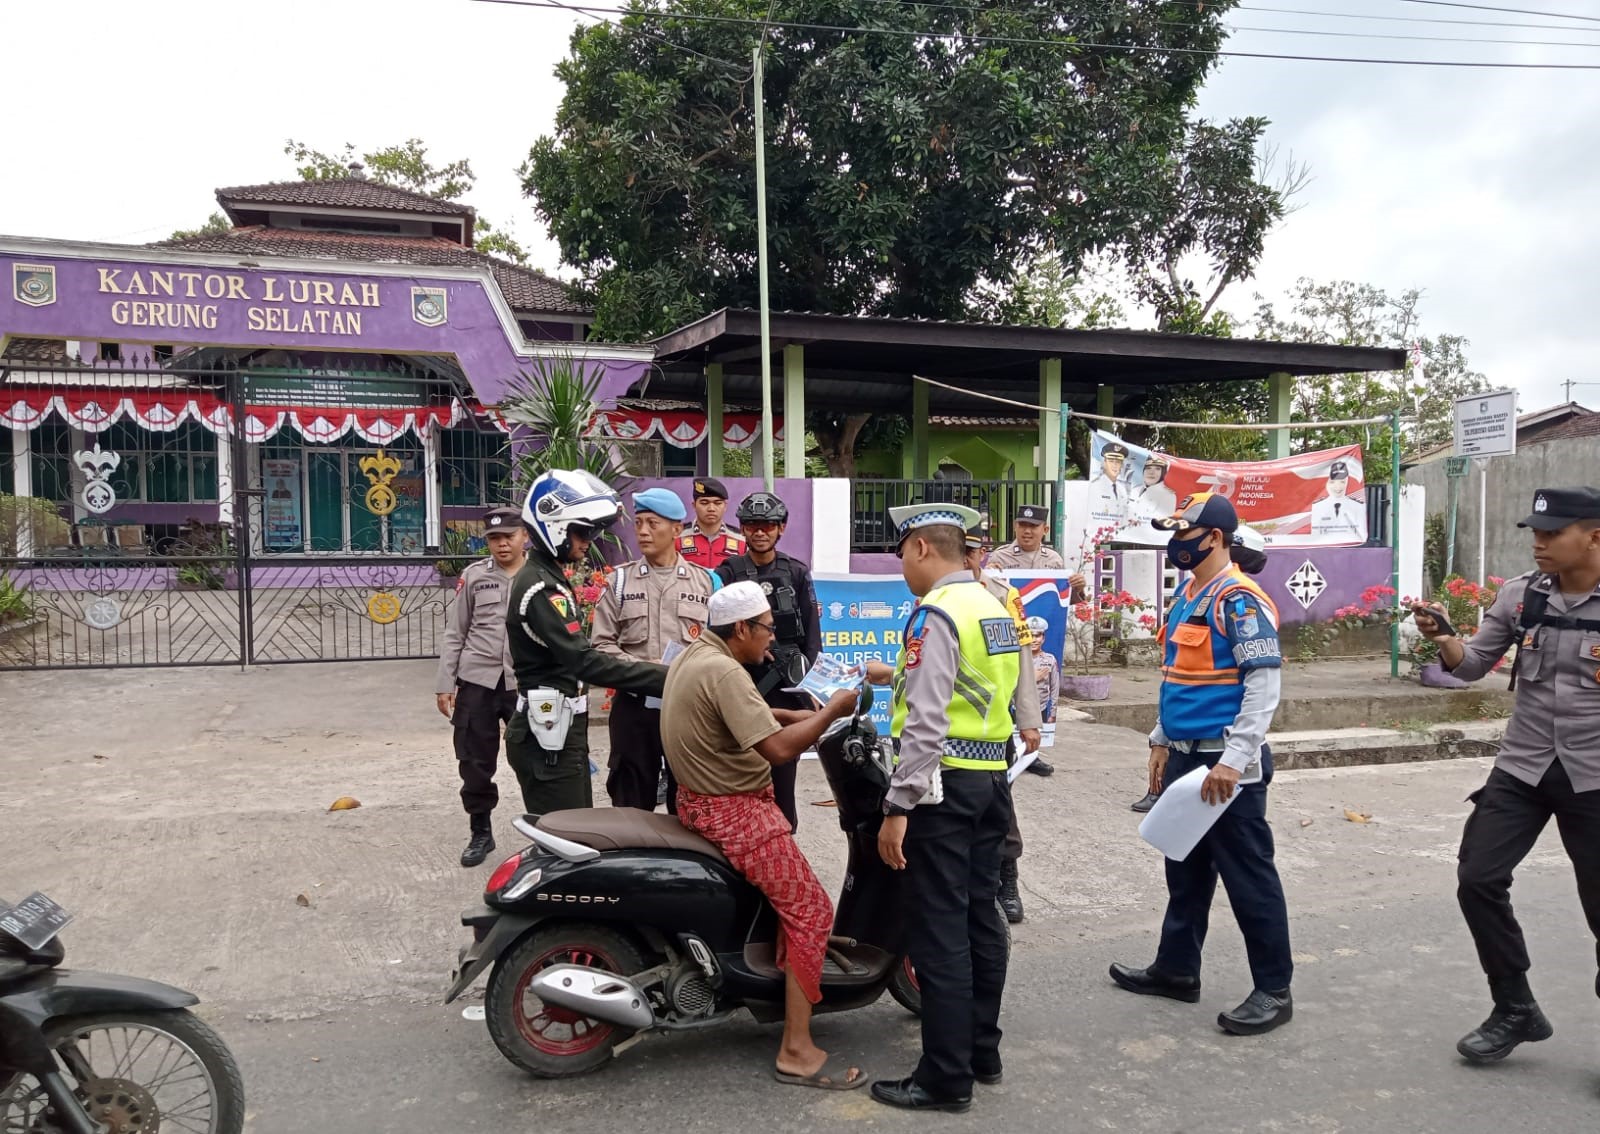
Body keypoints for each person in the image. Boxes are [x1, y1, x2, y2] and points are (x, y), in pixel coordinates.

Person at [1414, 486, 1600, 1064]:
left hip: (1594, 777)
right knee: (1478, 879)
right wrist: (1444, 634)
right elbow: (1470, 668)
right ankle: (1515, 1007)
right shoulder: (1522, 598)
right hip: (1522, 766)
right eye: (1536, 533)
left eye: (1553, 533)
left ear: (1594, 535)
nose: (1539, 543)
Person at [661, 580, 866, 1091]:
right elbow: (777, 752)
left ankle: (787, 969)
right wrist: (830, 713)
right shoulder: (725, 671)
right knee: (812, 909)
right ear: (741, 629)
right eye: (767, 631)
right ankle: (796, 1049)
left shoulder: (696, 655)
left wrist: (799, 714)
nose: (771, 643)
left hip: (700, 800)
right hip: (734, 811)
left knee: (793, 905)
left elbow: (739, 715)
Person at [1109, 492, 1295, 1036]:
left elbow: (1263, 685)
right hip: (1187, 757)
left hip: (1224, 764)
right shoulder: (1191, 595)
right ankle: (1176, 970)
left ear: (1214, 537)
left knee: (1248, 878)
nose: (1176, 543)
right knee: (1184, 872)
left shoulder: (1239, 599)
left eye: (1184, 533)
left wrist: (1235, 761)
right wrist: (1162, 736)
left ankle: (1274, 989)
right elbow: (1178, 675)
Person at [872, 502, 1018, 1114]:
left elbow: (927, 723)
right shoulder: (993, 606)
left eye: (903, 552)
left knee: (940, 932)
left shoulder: (935, 613)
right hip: (991, 782)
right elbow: (1011, 693)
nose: (902, 565)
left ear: (924, 549)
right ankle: (982, 1050)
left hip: (942, 788)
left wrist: (897, 804)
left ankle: (944, 1077)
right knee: (982, 916)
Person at [504, 470, 671, 817]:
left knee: (576, 827)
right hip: (548, 734)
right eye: (582, 531)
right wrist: (670, 678)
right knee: (566, 835)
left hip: (557, 729)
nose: (588, 540)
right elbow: (585, 662)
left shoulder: (548, 577)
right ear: (556, 527)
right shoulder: (541, 589)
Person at [589, 487, 717, 815]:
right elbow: (600, 646)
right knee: (631, 800)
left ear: (677, 529)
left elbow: (720, 648)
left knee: (689, 797)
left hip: (688, 708)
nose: (643, 531)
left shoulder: (707, 583)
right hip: (634, 709)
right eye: (639, 523)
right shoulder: (619, 582)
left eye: (653, 524)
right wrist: (642, 671)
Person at [715, 491, 820, 831]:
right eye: (752, 525)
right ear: (742, 530)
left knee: (783, 771)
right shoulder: (729, 572)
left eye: (768, 525)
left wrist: (811, 688)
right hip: (740, 683)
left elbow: (812, 639)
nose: (760, 532)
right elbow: (717, 632)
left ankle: (784, 835)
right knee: (739, 766)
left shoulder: (797, 573)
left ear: (781, 529)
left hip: (785, 688)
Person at [434, 506, 524, 867]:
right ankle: (481, 832)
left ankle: (545, 830)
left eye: (509, 537)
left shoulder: (540, 576)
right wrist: (445, 682)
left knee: (535, 760)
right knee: (473, 761)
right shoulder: (474, 576)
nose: (502, 545)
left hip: (524, 682)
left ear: (524, 537)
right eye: (494, 539)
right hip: (478, 680)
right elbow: (456, 632)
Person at [966, 523, 1044, 922]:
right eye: (962, 550)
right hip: (949, 727)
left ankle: (1007, 878)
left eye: (974, 550)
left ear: (985, 552)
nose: (969, 559)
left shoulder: (1002, 596)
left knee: (1000, 805)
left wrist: (1029, 720)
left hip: (995, 724)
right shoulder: (936, 595)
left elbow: (1023, 661)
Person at [986, 505, 1082, 580]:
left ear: (1045, 529)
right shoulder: (1000, 557)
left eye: (1033, 526)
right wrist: (986, 575)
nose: (1027, 531)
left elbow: (1062, 595)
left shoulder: (1054, 559)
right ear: (1015, 526)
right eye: (1022, 525)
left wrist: (1077, 587)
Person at [678, 476, 748, 569]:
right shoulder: (677, 537)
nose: (711, 508)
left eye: (717, 503)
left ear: (725, 506)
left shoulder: (741, 539)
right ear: (694, 505)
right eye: (704, 503)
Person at [1309, 459, 1364, 540]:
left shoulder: (1358, 506)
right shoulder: (1317, 506)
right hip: (1325, 546)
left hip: (1349, 546)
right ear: (1326, 484)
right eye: (1332, 482)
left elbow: (1361, 532)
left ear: (1347, 482)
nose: (1338, 487)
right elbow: (1315, 533)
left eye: (1342, 482)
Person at [1088, 442, 1130, 524]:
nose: (1114, 465)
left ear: (1121, 465)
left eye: (1118, 462)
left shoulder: (1122, 490)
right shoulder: (1094, 486)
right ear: (1104, 463)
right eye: (1111, 461)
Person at [1129, 455, 1177, 523]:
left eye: (1157, 469)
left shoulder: (1168, 495)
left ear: (1163, 473)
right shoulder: (1135, 489)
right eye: (1148, 468)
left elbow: (1164, 524)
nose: (1151, 472)